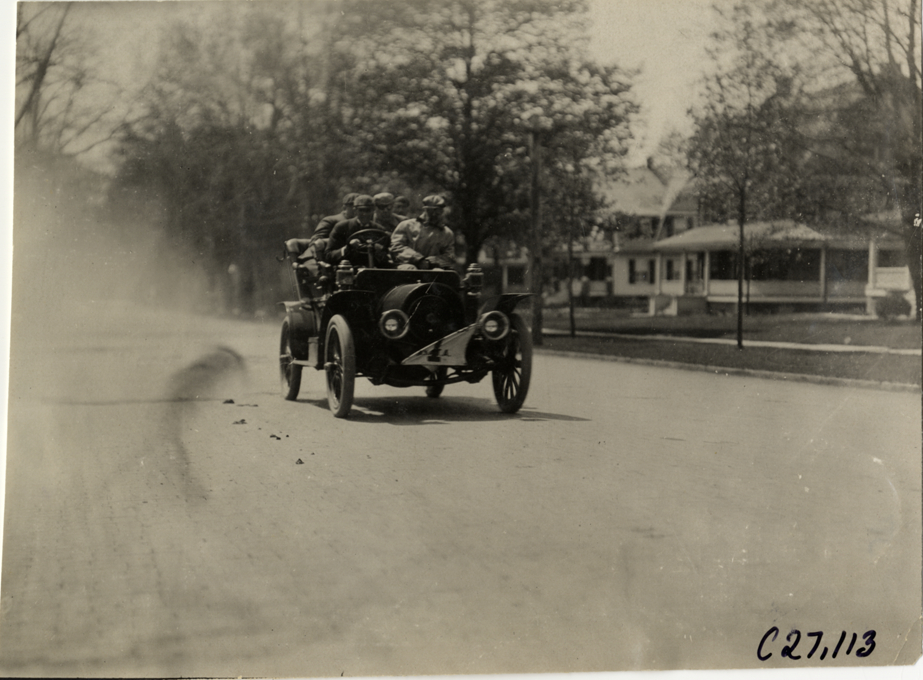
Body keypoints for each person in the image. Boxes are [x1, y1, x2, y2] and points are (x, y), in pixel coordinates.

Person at [390, 195, 456, 270]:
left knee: (438, 272)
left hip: (432, 267)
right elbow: (396, 246)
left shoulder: (446, 233)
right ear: (425, 209)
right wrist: (418, 259)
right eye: (432, 210)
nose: (435, 214)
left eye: (439, 211)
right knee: (410, 269)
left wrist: (432, 261)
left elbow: (450, 256)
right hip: (407, 265)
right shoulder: (407, 225)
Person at [325, 194, 392, 268]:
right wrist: (347, 248)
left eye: (368, 210)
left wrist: (379, 251)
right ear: (355, 210)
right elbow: (329, 255)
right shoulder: (342, 227)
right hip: (348, 269)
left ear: (373, 211)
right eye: (361, 210)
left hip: (372, 270)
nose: (365, 214)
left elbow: (386, 257)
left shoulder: (379, 230)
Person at [305, 192, 357, 262]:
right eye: (353, 206)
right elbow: (316, 240)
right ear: (344, 207)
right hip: (334, 259)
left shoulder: (363, 223)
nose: (356, 209)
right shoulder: (331, 220)